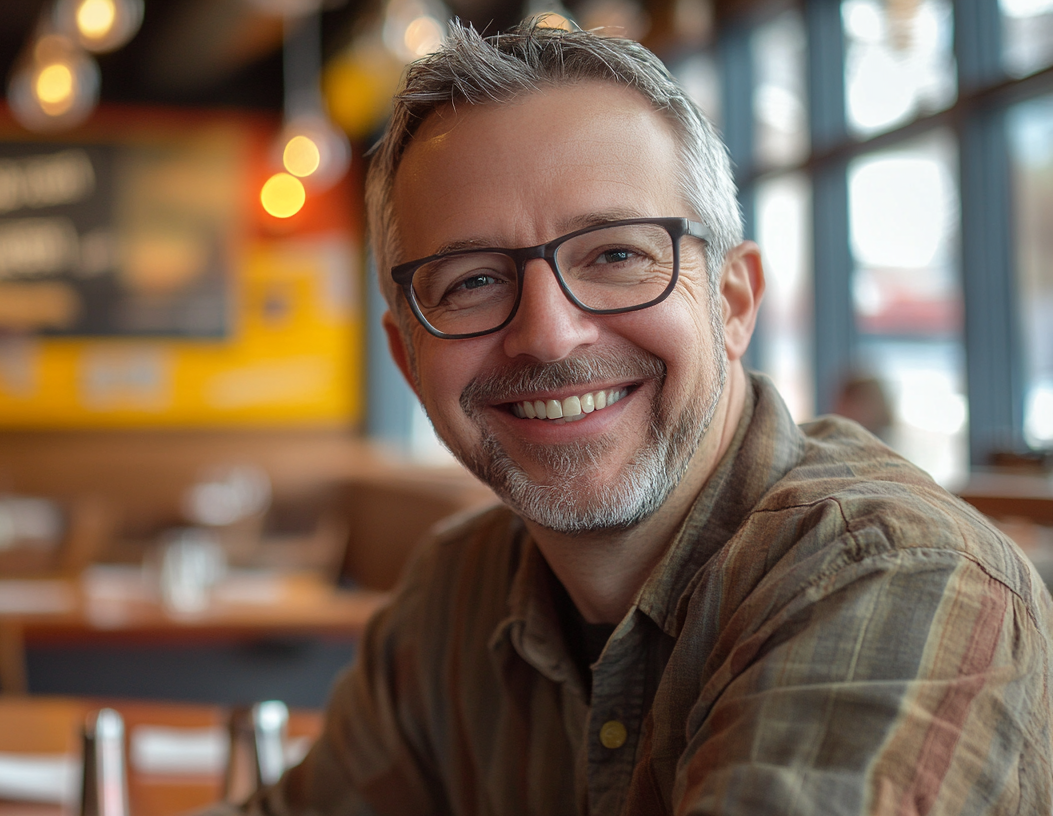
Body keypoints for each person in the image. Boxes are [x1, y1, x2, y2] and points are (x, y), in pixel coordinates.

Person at [232, 20, 1053, 816]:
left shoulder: (898, 577)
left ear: (732, 302)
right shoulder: (454, 596)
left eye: (617, 255)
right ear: (409, 362)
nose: (548, 333)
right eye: (472, 281)